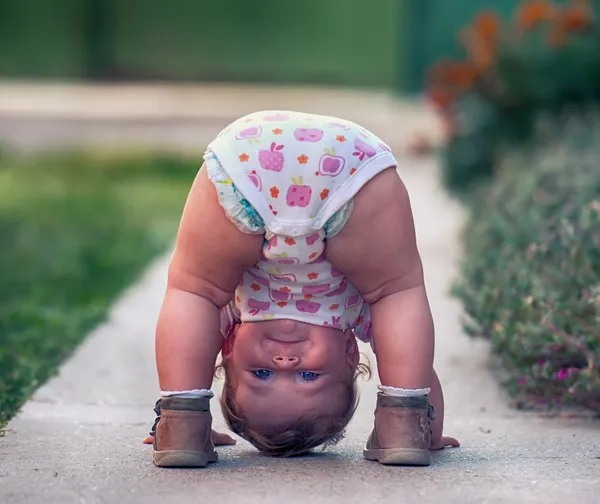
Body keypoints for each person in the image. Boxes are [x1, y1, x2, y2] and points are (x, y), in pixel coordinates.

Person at [145, 111, 459, 468]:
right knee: (393, 292)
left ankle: (183, 420)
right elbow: (414, 361)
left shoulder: (234, 314)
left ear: (228, 344)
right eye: (307, 375)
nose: (284, 361)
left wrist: (181, 399)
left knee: (196, 291)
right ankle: (404, 423)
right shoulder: (354, 316)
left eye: (261, 374)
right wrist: (431, 432)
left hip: (250, 162)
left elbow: (188, 329)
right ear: (349, 354)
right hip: (348, 169)